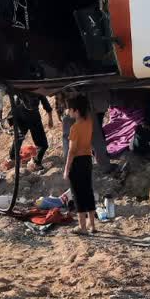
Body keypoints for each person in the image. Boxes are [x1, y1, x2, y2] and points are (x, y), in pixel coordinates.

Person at [63, 94, 97, 235]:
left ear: (76, 111)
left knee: (78, 194)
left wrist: (66, 168)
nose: (68, 112)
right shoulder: (89, 121)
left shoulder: (75, 128)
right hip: (87, 160)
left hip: (77, 162)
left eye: (69, 109)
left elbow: (72, 150)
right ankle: (92, 226)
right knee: (88, 191)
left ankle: (82, 227)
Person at [10, 91, 53, 170]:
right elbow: (45, 103)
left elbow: (14, 105)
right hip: (32, 117)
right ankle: (36, 163)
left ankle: (13, 156)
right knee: (43, 145)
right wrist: (50, 118)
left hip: (21, 115)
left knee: (19, 137)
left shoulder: (20, 87)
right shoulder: (36, 86)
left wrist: (13, 119)